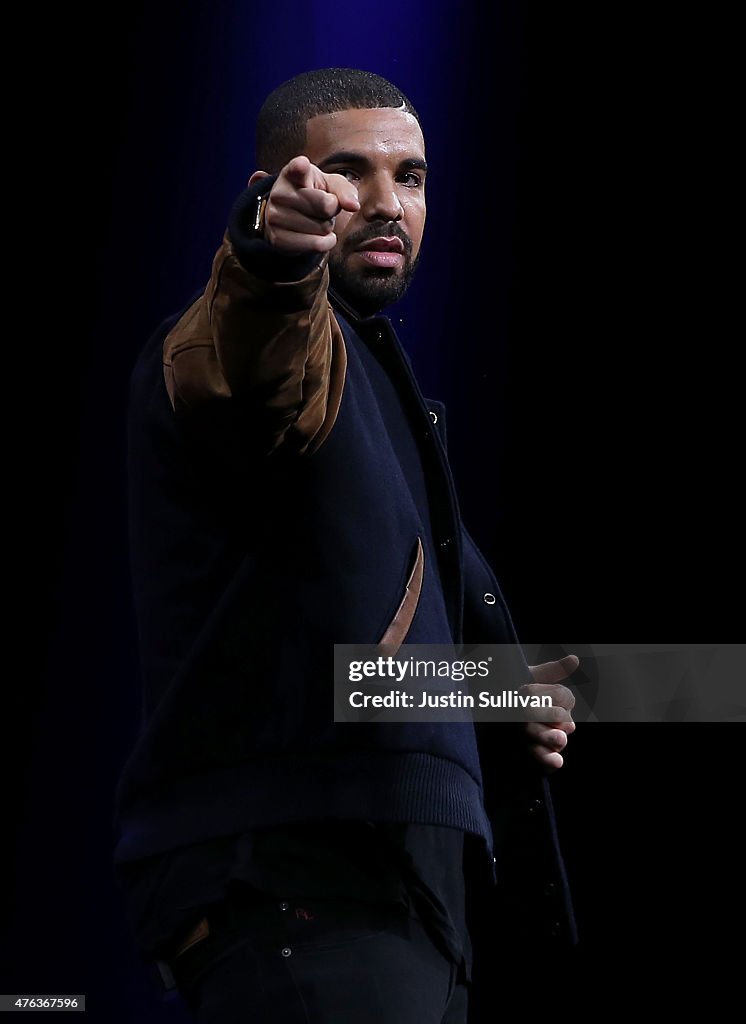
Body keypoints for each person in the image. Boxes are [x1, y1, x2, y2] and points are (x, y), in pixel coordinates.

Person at [112, 67, 578, 1023]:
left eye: (409, 177)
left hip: (410, 909)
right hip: (302, 892)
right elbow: (257, 348)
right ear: (273, 187)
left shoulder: (385, 401)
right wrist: (268, 258)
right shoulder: (260, 349)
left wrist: (490, 701)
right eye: (346, 172)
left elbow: (348, 666)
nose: (383, 203)